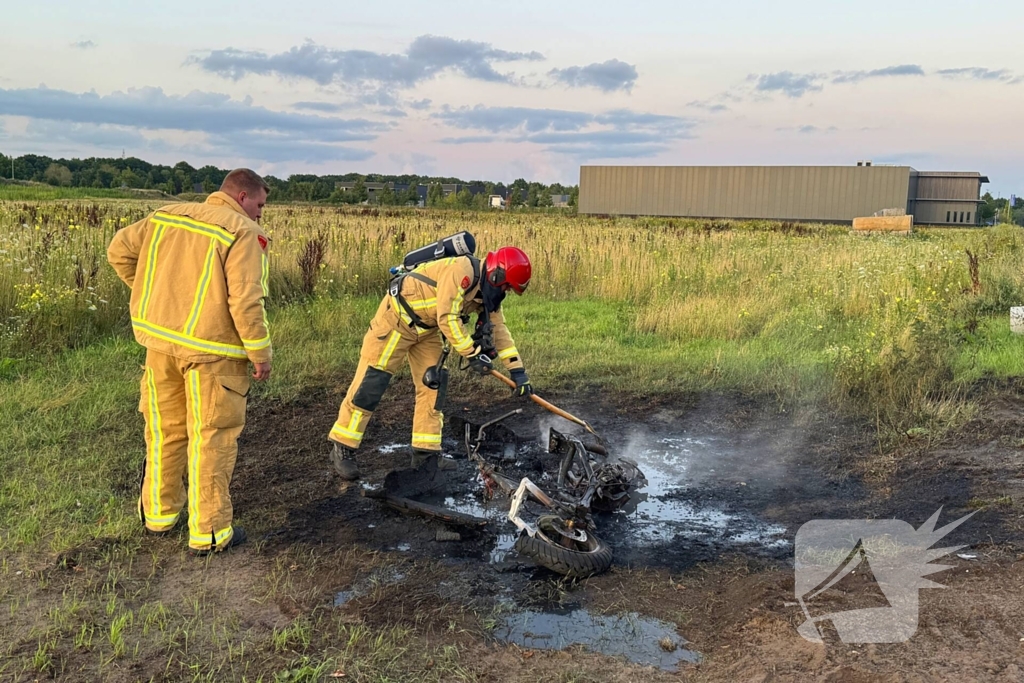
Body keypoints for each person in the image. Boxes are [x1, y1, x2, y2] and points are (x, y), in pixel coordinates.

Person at [107, 169, 272, 555]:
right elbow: (246, 301)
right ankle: (210, 532)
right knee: (212, 437)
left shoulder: (166, 215)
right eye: (260, 205)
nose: (261, 214)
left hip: (161, 347)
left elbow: (118, 251)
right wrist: (260, 354)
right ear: (242, 195)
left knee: (164, 431)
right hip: (213, 356)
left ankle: (158, 516)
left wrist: (155, 294)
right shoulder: (242, 232)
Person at [328, 246, 533, 480]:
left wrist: (518, 371)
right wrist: (472, 353)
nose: (506, 291)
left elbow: (499, 331)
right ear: (496, 274)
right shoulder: (462, 271)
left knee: (434, 389)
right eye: (507, 285)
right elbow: (448, 318)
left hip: (426, 331)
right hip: (396, 321)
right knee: (370, 385)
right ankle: (343, 447)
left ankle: (426, 455)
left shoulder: (489, 295)